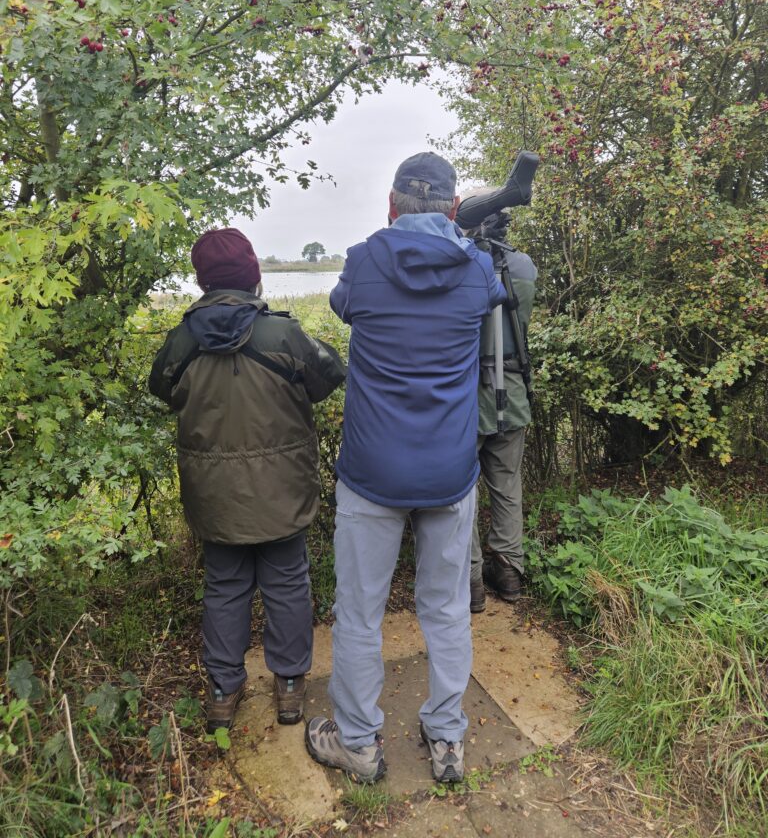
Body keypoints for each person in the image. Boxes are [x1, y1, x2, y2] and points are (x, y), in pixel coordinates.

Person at [304, 153, 506, 785]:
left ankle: (359, 744)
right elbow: (492, 294)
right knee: (444, 610)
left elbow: (343, 307)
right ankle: (447, 739)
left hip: (372, 471)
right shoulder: (477, 269)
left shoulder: (364, 261)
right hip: (449, 472)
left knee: (360, 613)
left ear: (391, 205)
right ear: (452, 208)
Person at [149, 228, 345, 733]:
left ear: (201, 280)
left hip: (214, 498)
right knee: (286, 583)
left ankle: (222, 691)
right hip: (283, 490)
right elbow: (329, 376)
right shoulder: (282, 335)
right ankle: (288, 689)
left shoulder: (182, 341)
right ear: (255, 274)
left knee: (225, 587)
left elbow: (163, 391)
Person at [464, 211, 537, 613]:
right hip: (513, 390)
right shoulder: (525, 265)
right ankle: (508, 570)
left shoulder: (463, 265)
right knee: (507, 484)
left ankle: (472, 579)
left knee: (463, 490)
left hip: (469, 396)